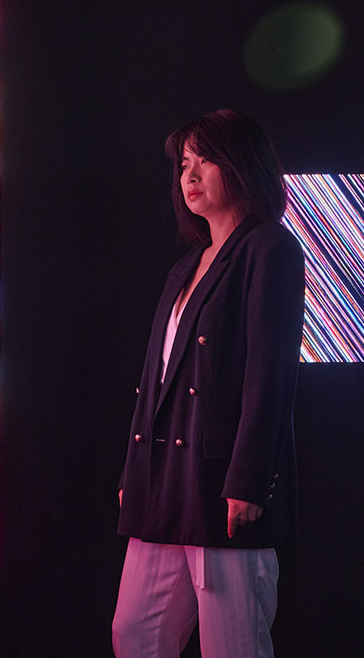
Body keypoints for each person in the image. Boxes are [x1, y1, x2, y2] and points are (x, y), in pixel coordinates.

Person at [112, 110, 305, 657]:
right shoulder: (185, 266)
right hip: (165, 477)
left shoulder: (271, 248)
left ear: (243, 166)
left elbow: (271, 377)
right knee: (135, 634)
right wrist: (135, 470)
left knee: (233, 645)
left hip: (223, 483)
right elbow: (155, 383)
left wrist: (248, 479)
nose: (189, 176)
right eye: (184, 164)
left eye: (205, 160)